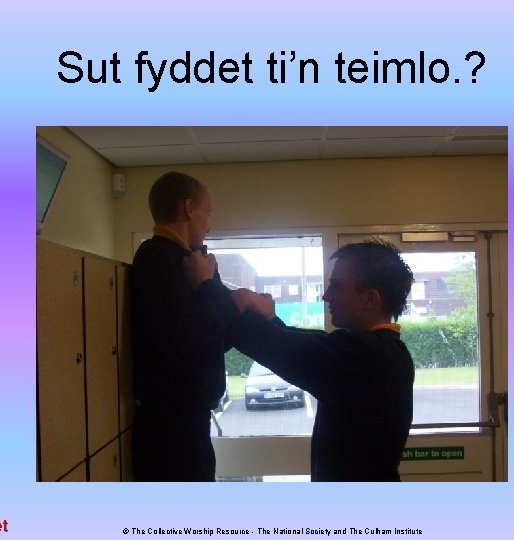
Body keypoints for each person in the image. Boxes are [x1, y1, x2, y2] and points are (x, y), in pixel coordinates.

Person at [184, 239, 415, 481]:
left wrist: (205, 285)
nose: (326, 295)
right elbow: (295, 343)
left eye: (336, 286)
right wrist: (269, 317)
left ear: (371, 299)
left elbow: (271, 344)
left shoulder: (370, 357)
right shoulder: (376, 350)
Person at [130, 171, 237, 481]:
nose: (209, 225)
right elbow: (185, 344)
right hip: (170, 431)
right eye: (208, 212)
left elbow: (221, 336)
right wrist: (208, 286)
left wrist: (210, 286)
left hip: (189, 423)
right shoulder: (158, 260)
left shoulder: (190, 260)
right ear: (190, 208)